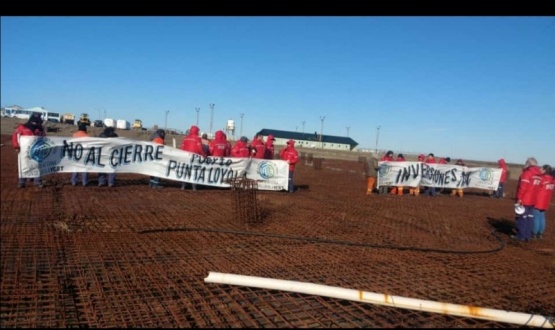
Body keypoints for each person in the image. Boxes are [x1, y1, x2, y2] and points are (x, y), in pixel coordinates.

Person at [11, 112, 46, 188]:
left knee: (36, 166)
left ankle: (37, 181)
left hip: (36, 151)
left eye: (37, 121)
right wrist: (16, 146)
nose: (35, 123)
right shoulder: (22, 127)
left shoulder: (40, 129)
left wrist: (43, 146)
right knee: (23, 165)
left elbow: (44, 138)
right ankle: (22, 182)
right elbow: (15, 136)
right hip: (24, 151)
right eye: (34, 121)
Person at [512, 157, 542, 242]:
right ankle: (527, 235)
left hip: (524, 200)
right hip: (533, 200)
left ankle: (520, 236)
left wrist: (519, 198)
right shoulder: (539, 175)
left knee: (521, 217)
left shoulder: (527, 173)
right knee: (529, 218)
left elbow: (523, 187)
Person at [180, 125, 206, 190]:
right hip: (194, 157)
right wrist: (204, 155)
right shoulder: (197, 139)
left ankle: (183, 186)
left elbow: (182, 147)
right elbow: (200, 148)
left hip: (185, 157)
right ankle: (194, 187)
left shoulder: (186, 138)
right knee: (194, 171)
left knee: (185, 171)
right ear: (196, 131)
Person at [532, 165, 554, 239]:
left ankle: (534, 232)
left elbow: (536, 188)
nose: (540, 169)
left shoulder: (542, 178)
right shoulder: (552, 180)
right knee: (542, 217)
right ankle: (540, 233)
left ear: (544, 170)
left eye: (541, 168)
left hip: (538, 200)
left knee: (536, 217)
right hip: (545, 201)